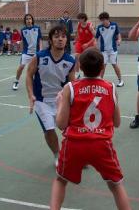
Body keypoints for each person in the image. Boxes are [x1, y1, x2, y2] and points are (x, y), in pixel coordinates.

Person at [51, 48, 131, 210]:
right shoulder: (111, 88)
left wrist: (59, 105)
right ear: (102, 68)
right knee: (116, 185)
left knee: (60, 180)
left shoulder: (70, 88)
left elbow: (60, 124)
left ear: (79, 66)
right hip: (101, 144)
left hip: (74, 144)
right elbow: (117, 122)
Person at [26, 25, 76, 167]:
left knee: (70, 130)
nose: (60, 39)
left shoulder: (70, 61)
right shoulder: (40, 57)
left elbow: (72, 83)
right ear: (51, 40)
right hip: (41, 101)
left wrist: (75, 101)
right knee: (49, 129)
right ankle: (57, 155)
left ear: (67, 40)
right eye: (56, 36)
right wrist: (31, 95)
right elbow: (29, 75)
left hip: (61, 100)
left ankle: (73, 154)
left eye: (63, 36)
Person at [12, 14, 42, 90]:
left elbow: (40, 40)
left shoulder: (37, 28)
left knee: (38, 69)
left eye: (30, 19)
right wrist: (21, 51)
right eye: (27, 19)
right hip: (26, 52)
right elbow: (22, 41)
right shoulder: (23, 30)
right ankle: (16, 81)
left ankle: (37, 83)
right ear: (25, 21)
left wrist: (40, 50)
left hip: (36, 52)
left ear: (32, 20)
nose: (28, 20)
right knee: (21, 67)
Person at [95, 11, 124, 87]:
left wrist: (119, 40)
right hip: (103, 50)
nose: (103, 22)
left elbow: (118, 35)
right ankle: (100, 81)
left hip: (113, 50)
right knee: (103, 65)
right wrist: (95, 46)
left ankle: (121, 80)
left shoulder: (114, 25)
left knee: (114, 64)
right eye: (101, 20)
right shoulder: (100, 27)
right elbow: (96, 38)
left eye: (104, 20)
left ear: (108, 19)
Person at [74, 12, 96, 78]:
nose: (78, 20)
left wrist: (88, 44)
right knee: (77, 56)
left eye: (79, 19)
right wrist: (76, 40)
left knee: (88, 59)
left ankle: (88, 73)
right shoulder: (79, 24)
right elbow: (77, 33)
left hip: (88, 43)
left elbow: (95, 36)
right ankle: (77, 73)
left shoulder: (90, 25)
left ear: (83, 19)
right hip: (80, 42)